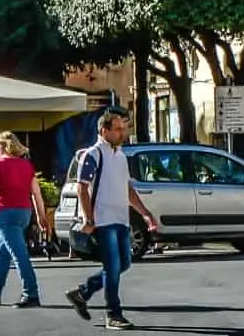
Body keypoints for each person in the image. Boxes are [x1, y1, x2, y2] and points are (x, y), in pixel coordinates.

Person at [66, 109, 159, 330]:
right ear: (103, 130)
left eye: (124, 129)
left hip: (120, 219)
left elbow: (127, 189)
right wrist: (89, 218)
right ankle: (113, 314)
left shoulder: (121, 156)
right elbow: (82, 188)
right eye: (117, 129)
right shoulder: (93, 154)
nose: (122, 133)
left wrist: (145, 213)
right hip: (103, 219)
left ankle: (82, 292)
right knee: (112, 266)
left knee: (123, 263)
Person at [0, 131, 44, 308]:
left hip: (5, 213)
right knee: (2, 252)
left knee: (19, 255)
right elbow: (36, 193)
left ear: (1, 146)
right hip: (24, 213)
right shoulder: (26, 165)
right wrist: (41, 216)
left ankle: (31, 293)